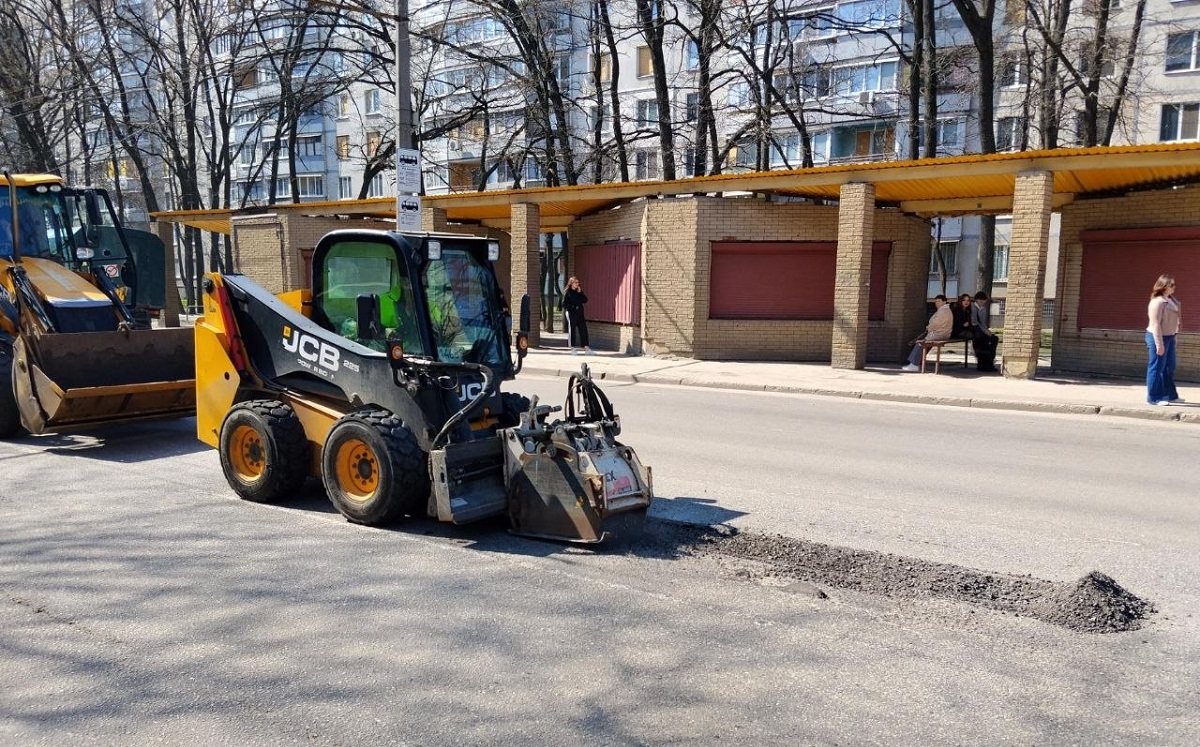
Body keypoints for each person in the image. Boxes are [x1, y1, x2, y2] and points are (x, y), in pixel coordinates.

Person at [1146, 273, 1182, 406]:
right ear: (1164, 286)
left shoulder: (1171, 300)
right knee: (1156, 367)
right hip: (1158, 336)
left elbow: (1175, 320)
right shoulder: (1157, 302)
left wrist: (1175, 337)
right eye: (1171, 285)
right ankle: (1153, 398)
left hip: (1170, 337)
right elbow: (1155, 324)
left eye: (1174, 284)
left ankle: (1170, 395)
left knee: (1169, 367)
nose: (1174, 287)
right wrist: (1159, 344)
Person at [902, 294, 953, 371]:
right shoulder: (946, 310)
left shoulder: (943, 311)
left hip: (938, 334)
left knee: (919, 343)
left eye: (939, 301)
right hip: (943, 334)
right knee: (922, 344)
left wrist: (928, 328)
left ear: (944, 302)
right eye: (936, 301)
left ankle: (914, 365)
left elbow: (935, 324)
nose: (937, 303)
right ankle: (916, 362)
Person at [560, 276, 591, 354]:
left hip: (580, 313)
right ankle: (572, 347)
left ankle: (586, 347)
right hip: (571, 313)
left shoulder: (578, 291)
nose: (578, 284)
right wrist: (573, 307)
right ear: (571, 283)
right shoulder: (567, 292)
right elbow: (564, 304)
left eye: (578, 282)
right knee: (572, 329)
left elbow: (585, 300)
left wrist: (581, 292)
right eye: (576, 282)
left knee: (583, 329)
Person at [971, 291, 1000, 372]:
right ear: (976, 300)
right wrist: (984, 331)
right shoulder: (972, 307)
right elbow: (974, 322)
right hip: (974, 329)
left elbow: (983, 322)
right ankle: (982, 364)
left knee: (994, 339)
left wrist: (987, 330)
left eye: (983, 300)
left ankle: (989, 362)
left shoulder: (983, 309)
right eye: (980, 300)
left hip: (981, 329)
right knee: (982, 341)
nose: (982, 302)